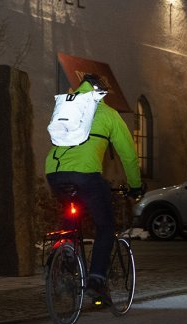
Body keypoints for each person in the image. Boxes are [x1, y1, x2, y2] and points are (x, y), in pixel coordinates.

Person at [45, 74, 142, 304]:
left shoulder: (67, 107)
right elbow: (128, 155)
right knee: (105, 226)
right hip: (86, 174)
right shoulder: (109, 115)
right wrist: (136, 186)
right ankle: (96, 280)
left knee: (72, 211)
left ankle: (65, 250)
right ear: (101, 93)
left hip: (54, 173)